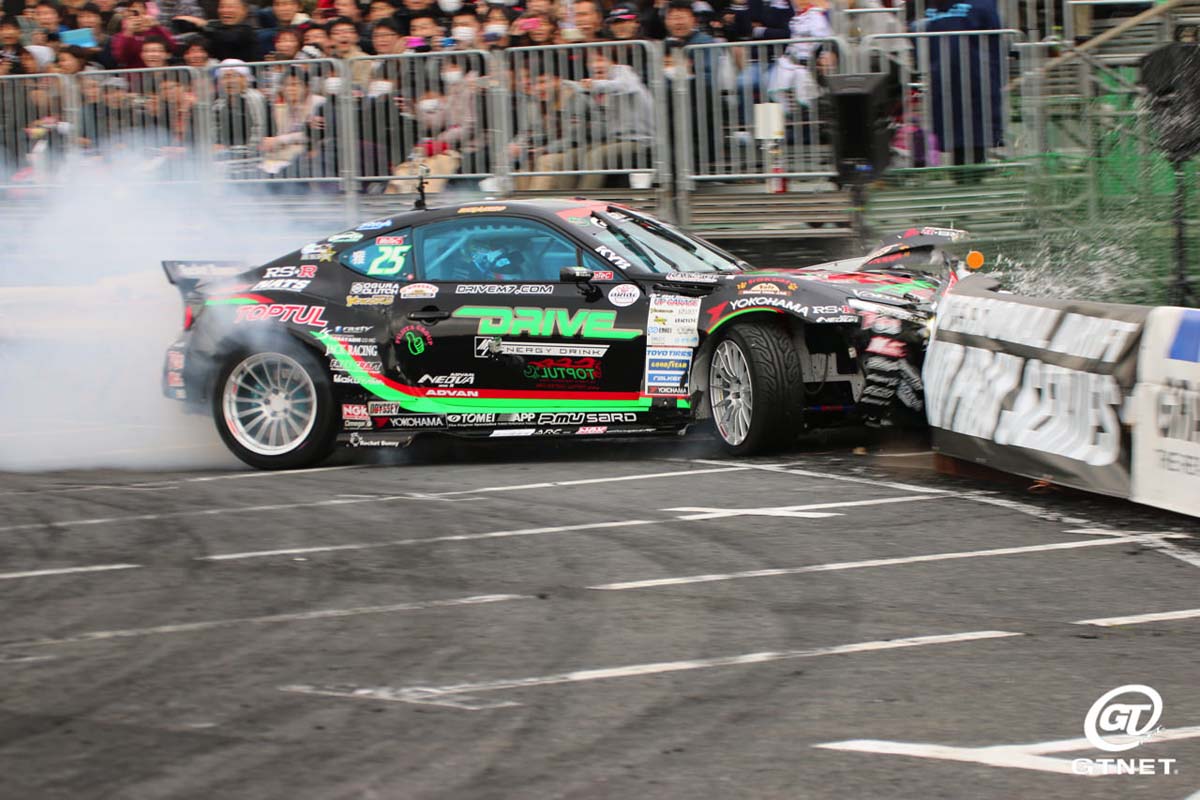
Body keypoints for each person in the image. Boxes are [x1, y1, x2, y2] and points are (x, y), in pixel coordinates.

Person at [913, 0, 1003, 180]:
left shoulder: (982, 5)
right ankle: (963, 180)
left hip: (975, 81)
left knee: (975, 137)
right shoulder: (931, 7)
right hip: (943, 83)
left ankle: (972, 183)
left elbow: (995, 44)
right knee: (954, 137)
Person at [510, 58, 595, 190]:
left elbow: (575, 138)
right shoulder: (536, 101)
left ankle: (537, 200)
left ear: (557, 80)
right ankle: (522, 201)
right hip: (556, 147)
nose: (538, 88)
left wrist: (545, 149)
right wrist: (518, 145)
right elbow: (530, 131)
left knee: (545, 161)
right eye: (534, 84)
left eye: (543, 82)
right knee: (524, 163)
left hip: (585, 146)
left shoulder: (575, 98)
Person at [578, 47, 654, 189]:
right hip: (616, 139)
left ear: (614, 62)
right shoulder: (601, 85)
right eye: (591, 61)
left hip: (640, 140)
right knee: (573, 156)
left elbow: (625, 86)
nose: (595, 65)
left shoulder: (623, 72)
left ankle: (585, 197)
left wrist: (595, 85)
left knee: (596, 155)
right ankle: (564, 198)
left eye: (600, 60)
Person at [174, 0, 258, 62]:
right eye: (222, 7)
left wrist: (203, 25)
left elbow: (230, 37)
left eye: (231, 7)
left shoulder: (248, 31)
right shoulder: (215, 28)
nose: (225, 10)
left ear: (245, 10)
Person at [110, 0, 175, 67]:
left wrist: (156, 26)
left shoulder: (156, 30)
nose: (137, 11)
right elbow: (120, 56)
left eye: (140, 7)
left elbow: (172, 47)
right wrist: (128, 32)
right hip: (135, 71)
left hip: (160, 70)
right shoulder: (122, 36)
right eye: (133, 8)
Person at [328, 15, 372, 86]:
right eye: (337, 33)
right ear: (330, 39)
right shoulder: (328, 60)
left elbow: (362, 85)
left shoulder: (364, 60)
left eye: (348, 31)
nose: (343, 35)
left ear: (356, 37)